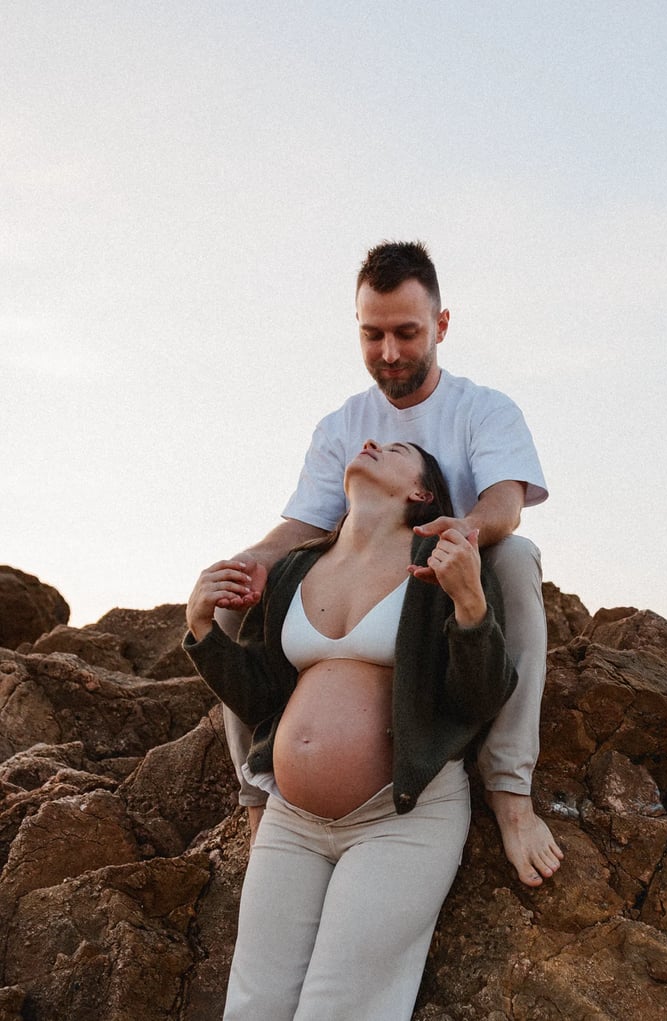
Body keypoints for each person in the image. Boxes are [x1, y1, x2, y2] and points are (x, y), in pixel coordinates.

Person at [215, 240, 563, 887]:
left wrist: (458, 534)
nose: (390, 352)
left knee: (517, 557)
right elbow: (307, 523)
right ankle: (259, 797)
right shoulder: (344, 424)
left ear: (441, 325)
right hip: (359, 583)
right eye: (373, 335)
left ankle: (510, 793)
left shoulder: (484, 408)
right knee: (235, 591)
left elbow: (506, 504)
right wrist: (248, 560)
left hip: (455, 580)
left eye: (407, 332)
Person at [184, 439, 516, 1020]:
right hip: (291, 821)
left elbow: (479, 699)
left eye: (395, 448)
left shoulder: (444, 561)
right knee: (253, 1007)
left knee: (340, 1009)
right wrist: (203, 629)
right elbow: (263, 698)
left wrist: (470, 605)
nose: (370, 444)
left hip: (401, 820)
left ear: (421, 492)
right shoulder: (296, 567)